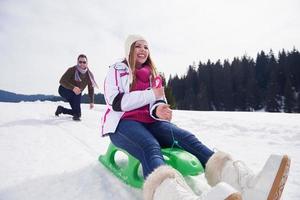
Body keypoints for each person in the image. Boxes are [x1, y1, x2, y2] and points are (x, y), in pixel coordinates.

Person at [101, 34, 290, 200]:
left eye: (146, 47)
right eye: (137, 46)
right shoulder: (118, 70)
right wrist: (152, 95)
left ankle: (248, 186)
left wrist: (159, 109)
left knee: (187, 138)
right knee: (150, 146)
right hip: (122, 123)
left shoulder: (154, 75)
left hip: (151, 122)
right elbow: (116, 102)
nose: (142, 50)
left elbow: (159, 101)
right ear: (129, 49)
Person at [55, 54, 98, 121]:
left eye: (84, 62)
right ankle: (73, 112)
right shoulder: (72, 70)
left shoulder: (89, 75)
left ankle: (61, 109)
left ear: (87, 63)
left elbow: (91, 88)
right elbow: (62, 81)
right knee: (78, 91)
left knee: (77, 114)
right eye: (80, 62)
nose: (82, 64)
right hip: (64, 90)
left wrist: (91, 101)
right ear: (77, 62)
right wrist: (73, 88)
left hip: (76, 94)